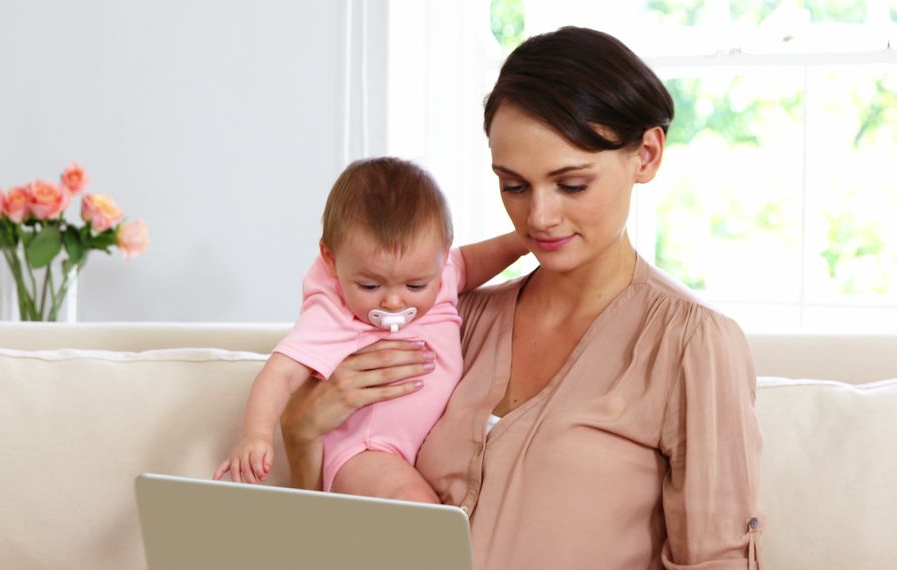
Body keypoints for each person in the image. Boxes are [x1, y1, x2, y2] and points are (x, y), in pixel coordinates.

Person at [280, 27, 765, 569]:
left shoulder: (692, 344)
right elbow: (333, 539)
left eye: (572, 184)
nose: (538, 217)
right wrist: (301, 434)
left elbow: (717, 558)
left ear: (647, 155)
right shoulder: (452, 321)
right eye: (514, 185)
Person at [214, 157, 526, 502]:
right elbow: (279, 374)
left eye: (415, 285)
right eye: (370, 286)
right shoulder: (334, 310)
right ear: (332, 261)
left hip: (423, 448)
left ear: (441, 257)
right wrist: (256, 435)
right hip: (364, 451)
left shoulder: (442, 272)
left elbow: (471, 261)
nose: (394, 302)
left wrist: (523, 241)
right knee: (419, 507)